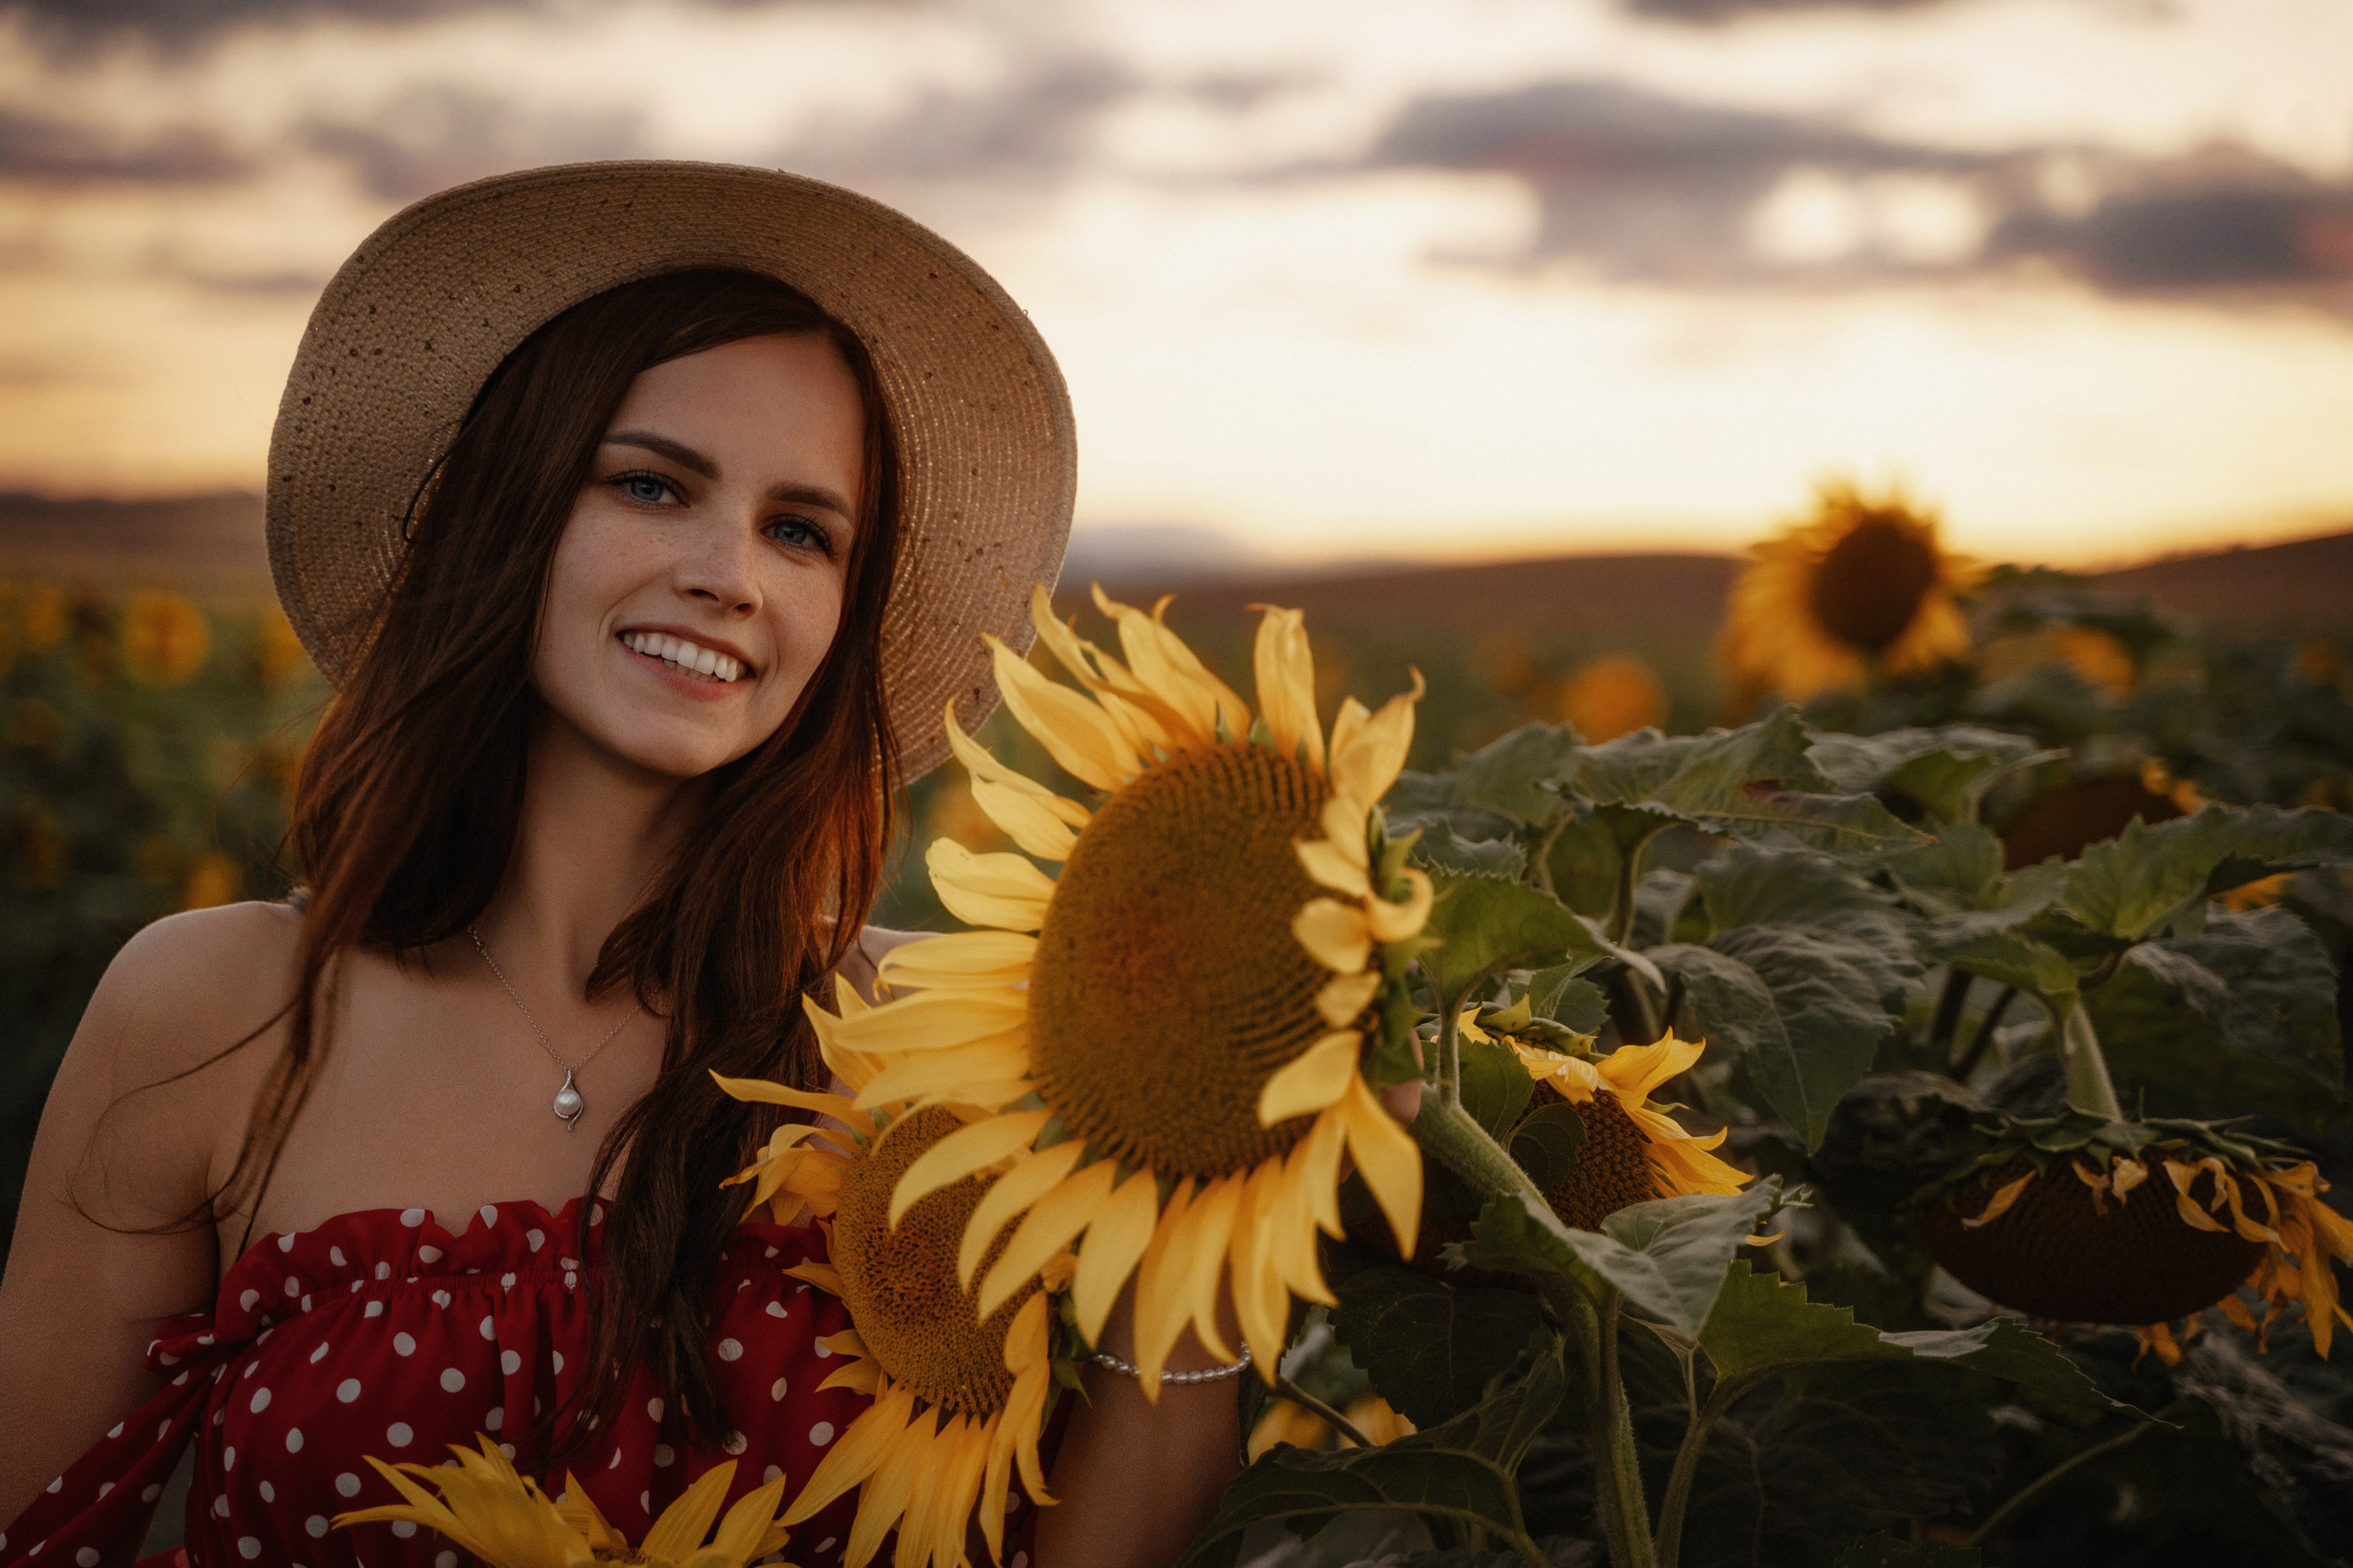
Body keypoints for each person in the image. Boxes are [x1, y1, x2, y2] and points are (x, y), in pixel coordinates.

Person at [0, 163, 1244, 1568]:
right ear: (510, 511)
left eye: (800, 529)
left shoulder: (953, 1055)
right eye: (653, 485)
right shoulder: (213, 1016)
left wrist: (1208, 1189)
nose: (731, 572)